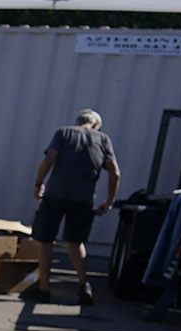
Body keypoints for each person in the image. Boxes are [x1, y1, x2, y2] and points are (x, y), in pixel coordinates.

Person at [30, 107, 120, 306]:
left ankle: (44, 289)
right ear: (96, 125)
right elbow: (115, 173)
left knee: (46, 241)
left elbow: (49, 160)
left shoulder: (64, 133)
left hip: (55, 195)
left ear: (80, 121)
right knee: (76, 242)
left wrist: (38, 184)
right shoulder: (103, 139)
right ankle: (84, 284)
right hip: (83, 199)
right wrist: (109, 201)